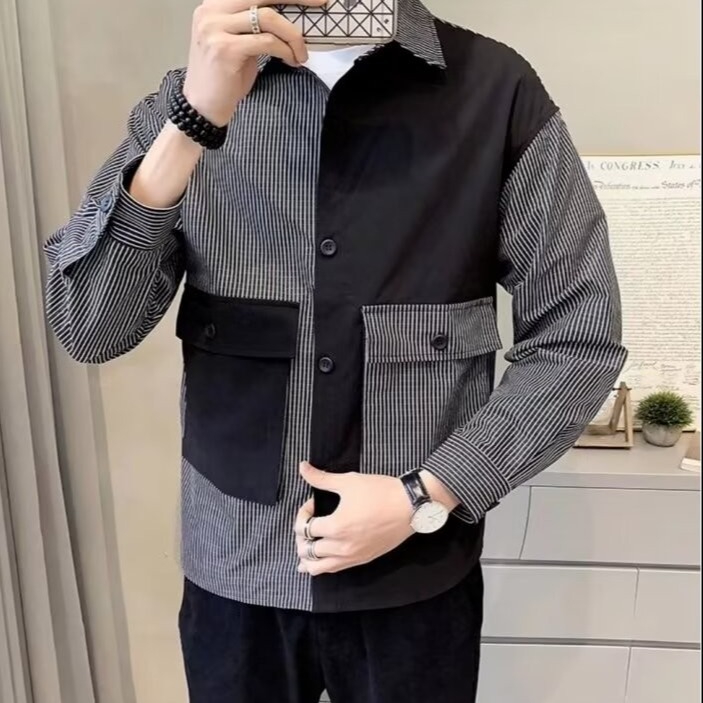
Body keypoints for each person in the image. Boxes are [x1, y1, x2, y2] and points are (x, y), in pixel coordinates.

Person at [43, 0, 627, 701]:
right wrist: (192, 122)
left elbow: (578, 336)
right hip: (235, 575)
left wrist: (425, 493)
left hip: (413, 574)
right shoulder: (188, 96)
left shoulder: (494, 91)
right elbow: (90, 325)